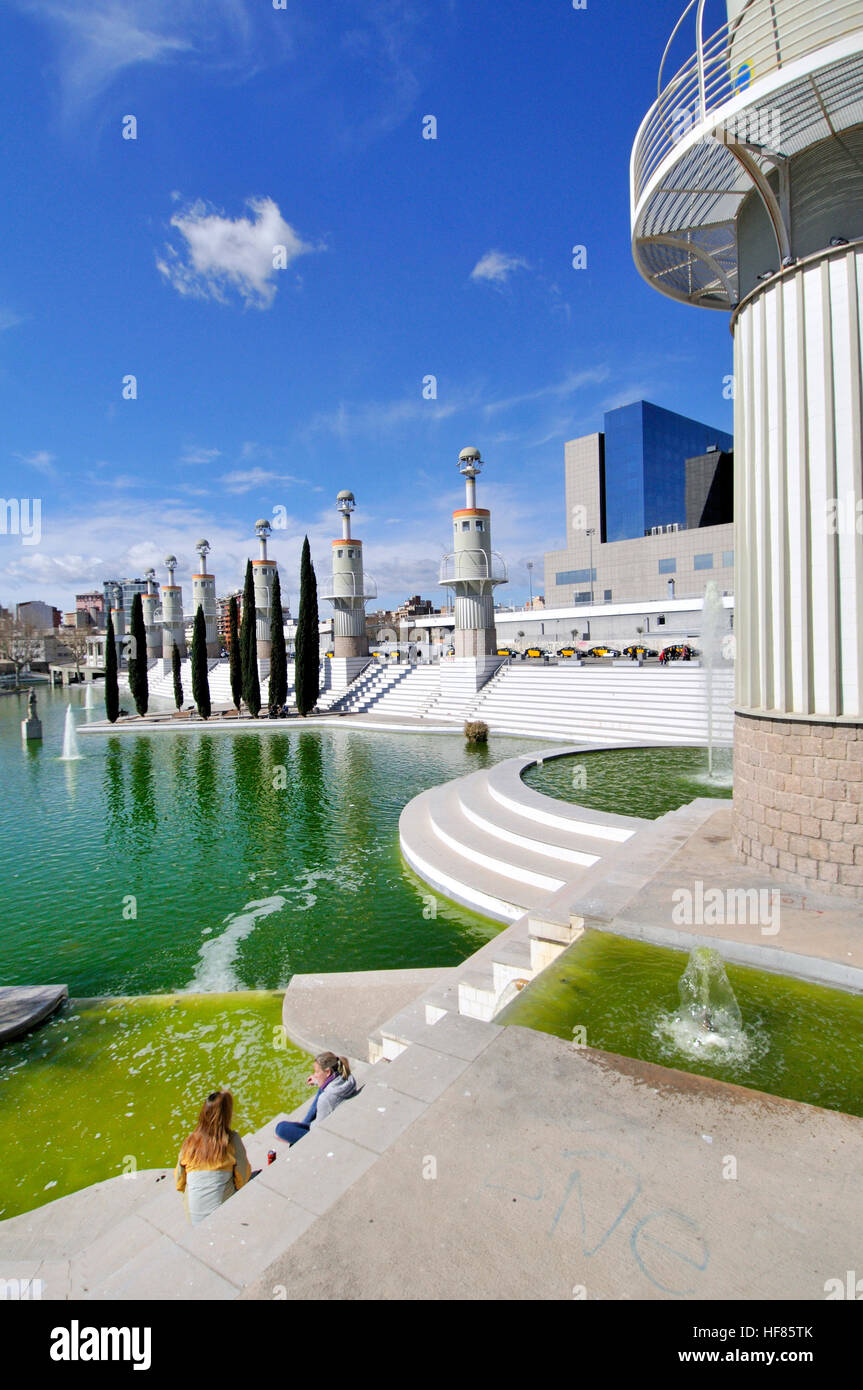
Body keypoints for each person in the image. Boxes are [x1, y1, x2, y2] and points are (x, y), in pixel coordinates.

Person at [175, 1090, 251, 1226]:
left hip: (193, 1219)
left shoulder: (189, 1143)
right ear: (227, 1114)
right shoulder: (232, 1140)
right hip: (221, 1215)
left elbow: (179, 1183)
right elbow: (242, 1180)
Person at [275, 1052, 357, 1147]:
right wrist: (317, 1081)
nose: (315, 1074)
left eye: (317, 1072)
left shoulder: (325, 1098)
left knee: (280, 1128)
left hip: (322, 1136)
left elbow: (318, 1131)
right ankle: (303, 1123)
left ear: (328, 1072)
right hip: (337, 1115)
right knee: (321, 1089)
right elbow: (328, 1085)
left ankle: (303, 1123)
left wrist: (296, 1131)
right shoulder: (349, 1079)